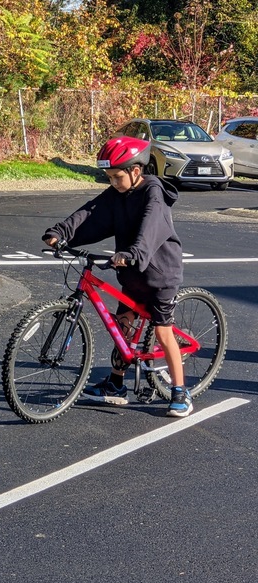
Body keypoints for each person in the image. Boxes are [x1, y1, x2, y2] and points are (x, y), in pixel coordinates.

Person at [42, 136, 192, 417]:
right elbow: (90, 211)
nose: (112, 182)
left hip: (161, 274)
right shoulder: (117, 193)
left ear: (136, 171)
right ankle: (116, 383)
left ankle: (180, 392)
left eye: (116, 176)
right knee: (122, 326)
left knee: (162, 331)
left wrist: (133, 252)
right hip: (133, 273)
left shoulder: (153, 194)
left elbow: (150, 227)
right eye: (108, 177)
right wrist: (60, 232)